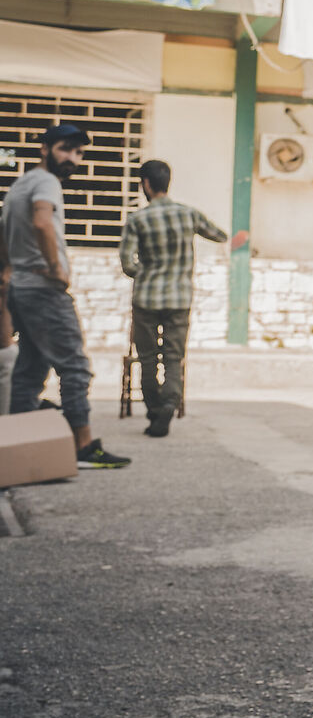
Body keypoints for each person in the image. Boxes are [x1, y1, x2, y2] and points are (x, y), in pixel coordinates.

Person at [3, 124, 129, 468]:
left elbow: (6, 234)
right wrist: (57, 269)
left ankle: (17, 448)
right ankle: (84, 448)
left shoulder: (19, 185)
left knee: (30, 370)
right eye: (65, 149)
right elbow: (43, 222)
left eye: (78, 152)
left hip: (22, 290)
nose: (72, 158)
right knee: (75, 368)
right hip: (44, 291)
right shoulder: (46, 183)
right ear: (45, 149)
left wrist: (7, 277)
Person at [118, 159, 247, 438]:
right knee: (174, 358)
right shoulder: (188, 214)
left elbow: (128, 264)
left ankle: (154, 411)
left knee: (149, 358)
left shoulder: (137, 219)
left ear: (146, 184)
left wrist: (149, 272)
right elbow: (219, 235)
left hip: (146, 299)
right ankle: (168, 405)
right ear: (167, 182)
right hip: (179, 299)